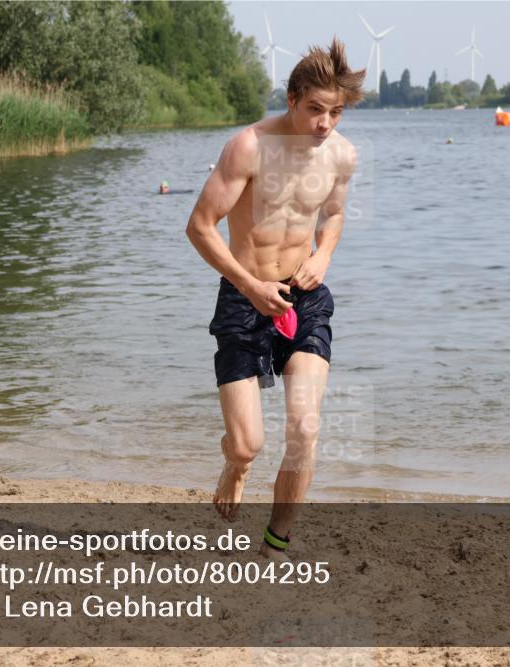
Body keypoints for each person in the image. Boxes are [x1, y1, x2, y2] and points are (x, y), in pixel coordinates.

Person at [186, 38, 363, 558]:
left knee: (305, 427)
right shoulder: (248, 147)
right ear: (291, 98)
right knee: (247, 444)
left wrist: (324, 255)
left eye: (335, 112)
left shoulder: (341, 155)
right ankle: (235, 465)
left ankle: (274, 545)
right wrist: (250, 286)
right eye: (315, 109)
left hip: (304, 298)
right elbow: (199, 227)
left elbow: (333, 215)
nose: (325, 123)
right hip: (246, 296)